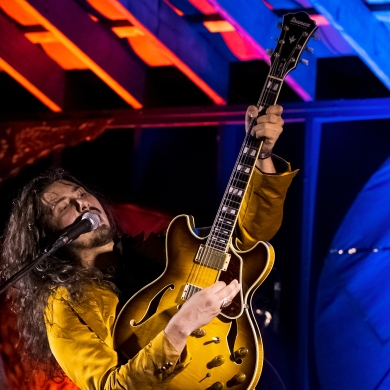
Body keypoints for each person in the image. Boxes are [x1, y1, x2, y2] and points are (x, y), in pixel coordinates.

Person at [0, 104, 297, 390]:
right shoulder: (65, 305)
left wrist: (262, 157)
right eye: (64, 206)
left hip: (247, 367)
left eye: (82, 193)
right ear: (47, 237)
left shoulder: (160, 248)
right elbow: (112, 385)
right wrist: (181, 326)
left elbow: (247, 236)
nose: (83, 203)